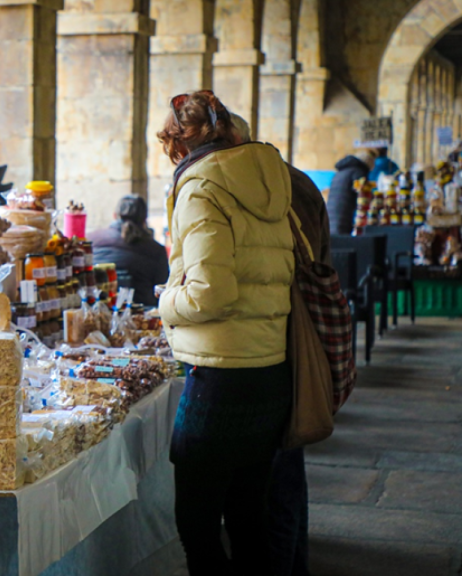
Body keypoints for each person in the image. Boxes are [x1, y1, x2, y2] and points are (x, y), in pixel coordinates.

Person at [158, 90, 295, 576]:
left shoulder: (200, 187)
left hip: (220, 377)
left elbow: (210, 293)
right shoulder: (271, 177)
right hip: (271, 368)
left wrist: (163, 302)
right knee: (247, 515)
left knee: (196, 524)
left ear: (182, 142)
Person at [232, 114, 328, 576]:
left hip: (271, 342)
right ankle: (297, 564)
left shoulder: (249, 188)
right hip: (304, 333)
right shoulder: (296, 180)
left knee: (269, 480)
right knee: (288, 466)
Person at [88, 196, 169, 306]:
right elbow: (162, 291)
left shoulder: (92, 239)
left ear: (115, 215)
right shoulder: (155, 250)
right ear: (144, 219)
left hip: (95, 308)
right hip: (142, 315)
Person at [327, 149, 376, 235]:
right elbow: (364, 195)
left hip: (331, 214)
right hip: (344, 214)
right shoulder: (358, 172)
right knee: (342, 242)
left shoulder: (340, 172)